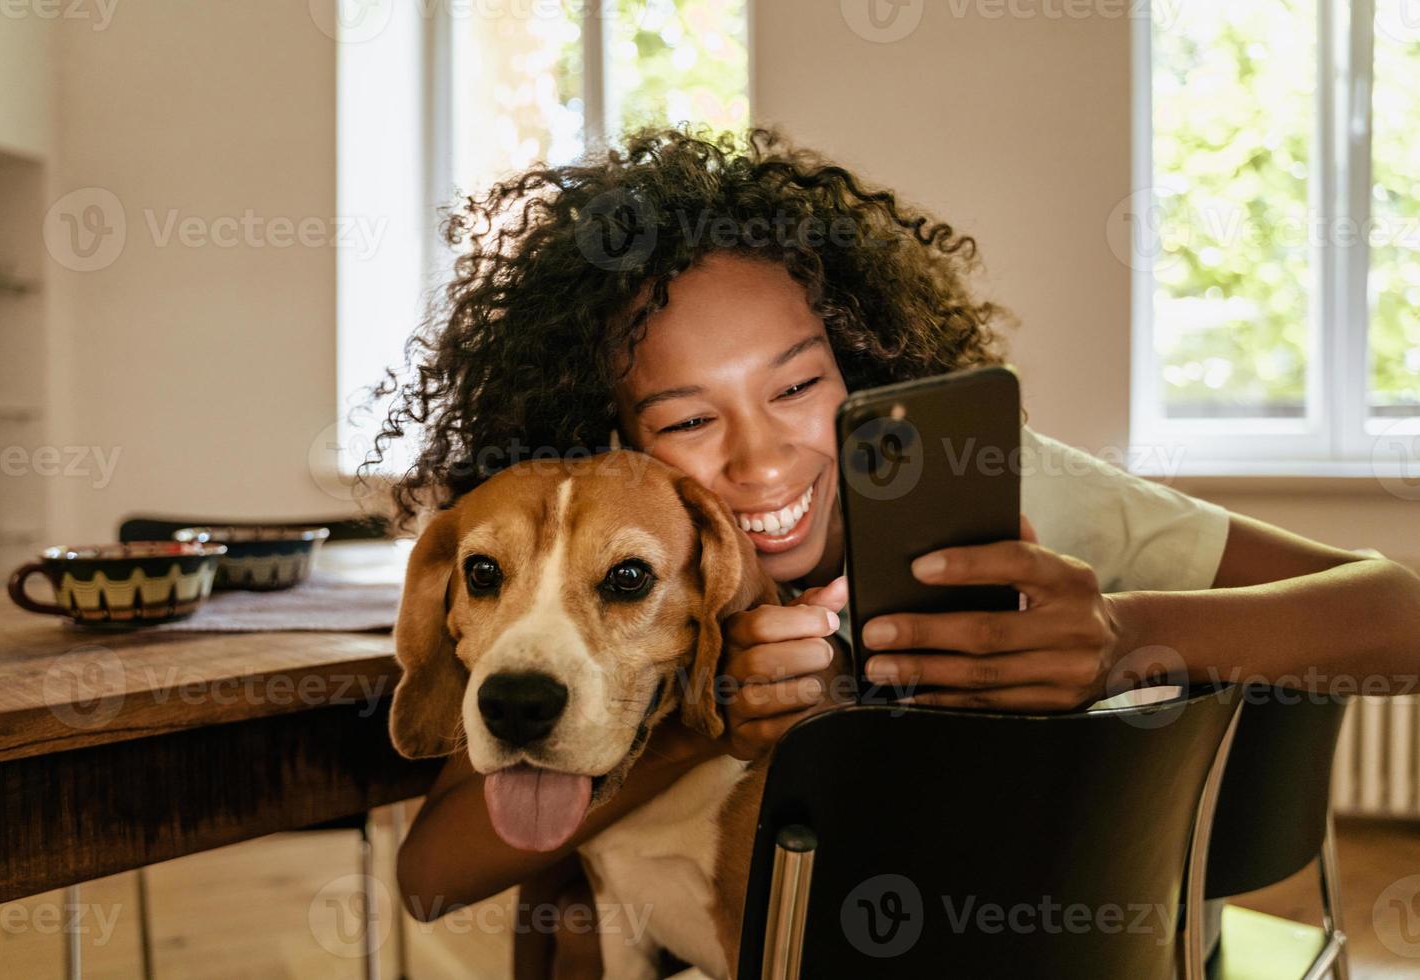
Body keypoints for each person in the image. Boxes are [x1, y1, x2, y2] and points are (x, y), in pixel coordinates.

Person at [372, 124, 1420, 974]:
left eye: (795, 385)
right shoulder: (645, 571)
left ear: (860, 360)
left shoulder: (1014, 484)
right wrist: (714, 722)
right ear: (616, 442)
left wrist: (1128, 633)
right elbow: (435, 871)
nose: (762, 458)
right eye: (687, 419)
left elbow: (1401, 610)